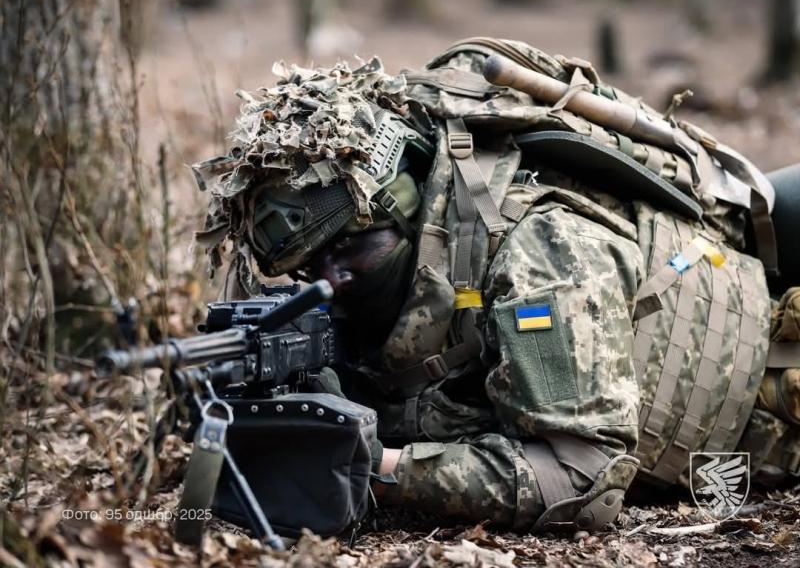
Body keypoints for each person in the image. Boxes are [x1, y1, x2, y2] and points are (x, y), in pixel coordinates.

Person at [192, 38, 800, 532]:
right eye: (310, 266)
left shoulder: (541, 254)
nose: (332, 280)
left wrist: (378, 464)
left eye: (351, 247)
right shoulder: (392, 272)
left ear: (410, 210)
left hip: (769, 417)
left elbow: (583, 477)